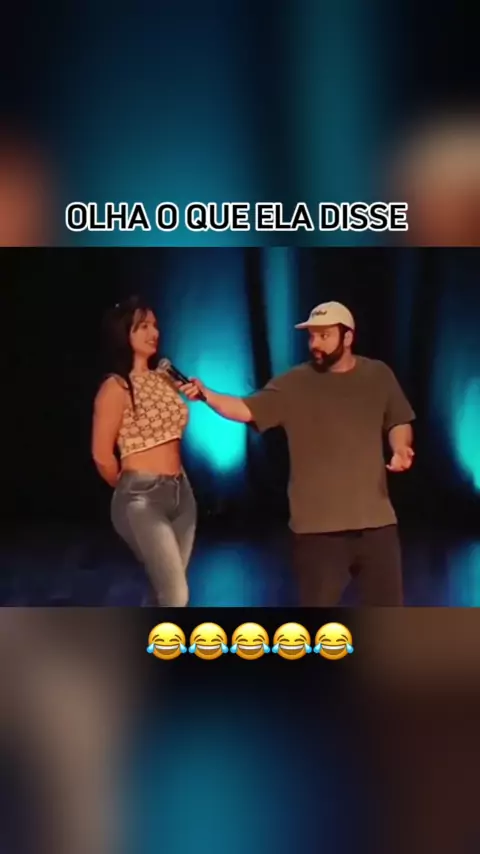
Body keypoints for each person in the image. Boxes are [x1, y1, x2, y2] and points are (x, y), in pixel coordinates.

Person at [179, 301, 415, 606]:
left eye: (324, 335)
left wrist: (400, 447)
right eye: (311, 336)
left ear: (348, 337)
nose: (315, 343)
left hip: (377, 525)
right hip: (318, 531)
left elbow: (398, 419)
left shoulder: (378, 375)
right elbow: (245, 409)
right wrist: (207, 395)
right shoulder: (294, 383)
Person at [91, 296, 196, 606]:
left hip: (182, 493)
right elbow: (101, 455)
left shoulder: (165, 378)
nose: (154, 333)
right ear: (124, 334)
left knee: (165, 590)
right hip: (141, 498)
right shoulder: (116, 387)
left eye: (155, 325)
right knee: (176, 594)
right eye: (143, 326)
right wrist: (129, 486)